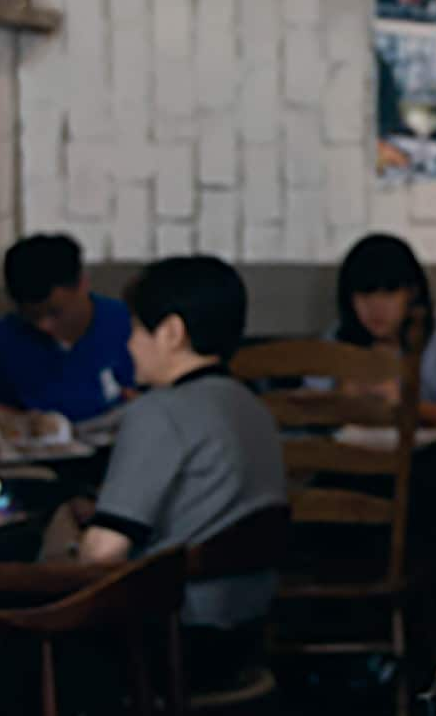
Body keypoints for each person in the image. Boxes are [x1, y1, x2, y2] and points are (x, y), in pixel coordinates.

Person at [39, 255, 286, 688]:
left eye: (136, 328)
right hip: (242, 635)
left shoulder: (159, 412)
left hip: (166, 642)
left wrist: (65, 542)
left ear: (171, 332)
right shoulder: (253, 406)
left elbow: (103, 553)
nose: (129, 343)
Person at [0, 233, 135, 423]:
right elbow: (0, 403)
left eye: (55, 313)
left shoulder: (127, 325)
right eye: (32, 316)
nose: (44, 326)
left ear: (82, 284)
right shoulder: (8, 335)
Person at [330, 233, 436, 426]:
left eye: (389, 292)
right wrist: (345, 398)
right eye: (364, 294)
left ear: (412, 293)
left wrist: (403, 403)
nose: (376, 307)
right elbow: (309, 408)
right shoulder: (338, 336)